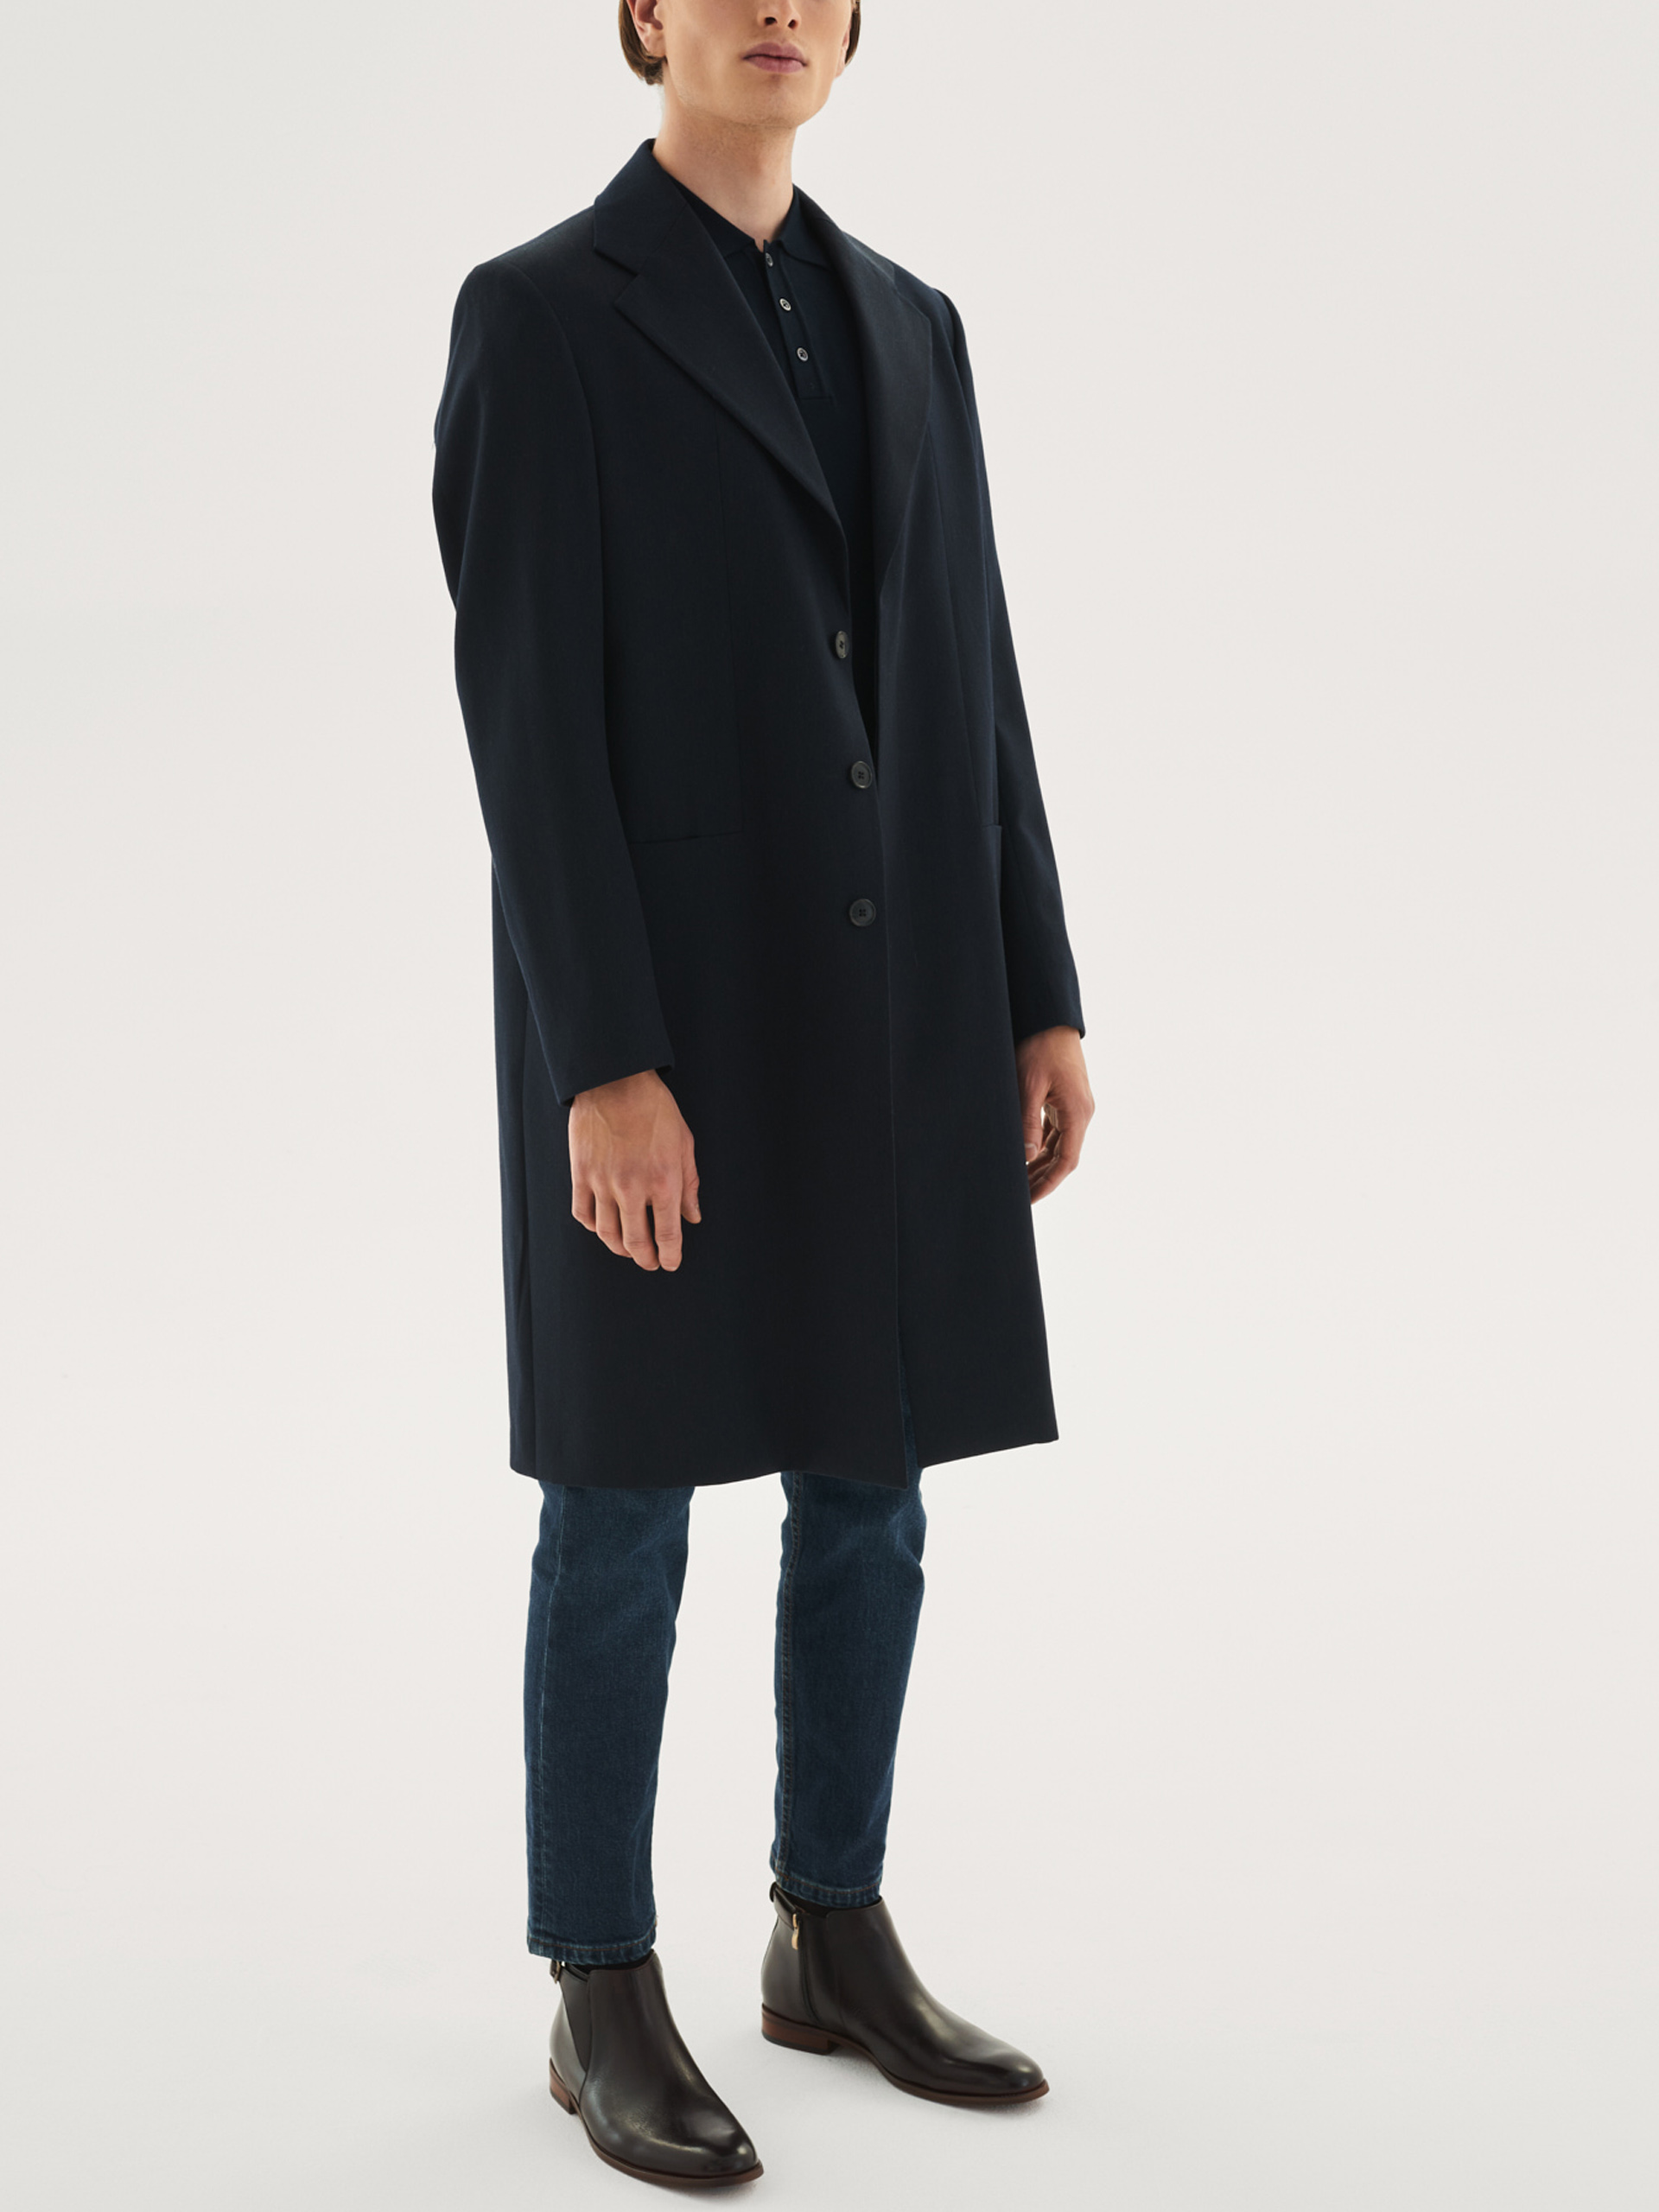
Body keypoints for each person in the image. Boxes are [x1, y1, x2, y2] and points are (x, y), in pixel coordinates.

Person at [432, 0, 1093, 2186]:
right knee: (623, 1494)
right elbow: (530, 720)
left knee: (873, 1479)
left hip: (900, 1005)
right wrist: (604, 1059)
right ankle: (599, 1977)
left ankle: (830, 1923)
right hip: (675, 1013)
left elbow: (974, 674)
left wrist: (1038, 993)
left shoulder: (913, 323)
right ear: (644, 18)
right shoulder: (543, 317)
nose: (774, 8)